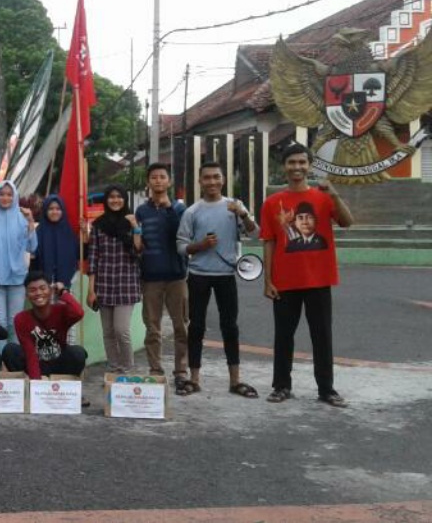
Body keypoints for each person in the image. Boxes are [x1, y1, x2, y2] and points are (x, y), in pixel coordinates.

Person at [261, 144, 354, 407]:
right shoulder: (271, 203)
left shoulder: (323, 198)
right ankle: (281, 386)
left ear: (309, 165)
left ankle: (327, 389)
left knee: (322, 336)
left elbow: (347, 221)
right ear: (284, 166)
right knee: (283, 336)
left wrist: (334, 195)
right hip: (285, 282)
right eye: (292, 162)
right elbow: (268, 241)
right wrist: (268, 280)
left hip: (319, 280)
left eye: (302, 162)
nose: (297, 167)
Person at [177, 162, 258, 398]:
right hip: (198, 275)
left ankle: (235, 380)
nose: (212, 182)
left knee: (230, 327)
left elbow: (255, 233)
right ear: (200, 181)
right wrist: (201, 245)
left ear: (223, 179)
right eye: (207, 178)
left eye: (216, 177)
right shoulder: (192, 211)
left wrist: (242, 213)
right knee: (197, 327)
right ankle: (194, 379)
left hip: (226, 276)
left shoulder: (235, 207)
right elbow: (181, 247)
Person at [135, 163, 191, 390]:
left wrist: (168, 209)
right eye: (154, 177)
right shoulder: (141, 212)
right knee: (153, 328)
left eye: (162, 177)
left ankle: (181, 371)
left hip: (177, 277)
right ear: (148, 182)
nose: (158, 181)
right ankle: (155, 370)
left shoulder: (179, 209)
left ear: (169, 182)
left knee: (181, 327)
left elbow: (183, 236)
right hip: (151, 278)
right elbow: (138, 244)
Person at [85, 185, 142, 375]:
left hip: (126, 284)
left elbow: (139, 251)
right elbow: (93, 258)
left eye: (119, 197)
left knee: (121, 330)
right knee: (108, 332)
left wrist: (135, 227)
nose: (115, 200)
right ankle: (113, 365)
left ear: (125, 199)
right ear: (106, 200)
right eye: (111, 197)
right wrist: (91, 290)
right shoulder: (98, 225)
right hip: (104, 284)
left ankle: (127, 367)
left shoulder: (132, 221)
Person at [0, 180, 37, 352]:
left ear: (15, 197)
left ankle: (13, 364)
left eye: (9, 194)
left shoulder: (22, 221)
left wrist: (31, 222)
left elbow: (32, 247)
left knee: (15, 322)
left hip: (17, 279)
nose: (5, 198)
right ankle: (1, 365)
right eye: (2, 194)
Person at [3, 272, 87, 379]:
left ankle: (66, 387)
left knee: (78, 353)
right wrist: (37, 386)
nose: (38, 293)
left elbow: (78, 312)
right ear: (26, 295)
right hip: (36, 364)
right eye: (32, 290)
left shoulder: (60, 311)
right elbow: (30, 354)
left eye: (43, 288)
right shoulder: (21, 319)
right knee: (10, 350)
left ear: (50, 291)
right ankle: (26, 385)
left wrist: (63, 292)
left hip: (59, 364)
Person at [29, 195, 80, 289]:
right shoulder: (39, 232)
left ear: (63, 211)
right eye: (51, 209)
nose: (54, 212)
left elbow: (80, 254)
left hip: (67, 284)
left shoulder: (68, 232)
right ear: (45, 211)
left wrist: (84, 237)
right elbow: (33, 258)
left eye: (58, 208)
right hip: (43, 286)